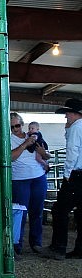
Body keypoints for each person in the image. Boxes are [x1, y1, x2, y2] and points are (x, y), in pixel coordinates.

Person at [41, 98, 82, 260]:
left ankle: (58, 247)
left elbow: (72, 152)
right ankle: (79, 248)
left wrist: (66, 175)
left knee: (60, 210)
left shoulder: (76, 128)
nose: (66, 117)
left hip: (76, 175)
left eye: (67, 114)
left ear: (73, 114)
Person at [9, 112, 49, 255]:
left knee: (37, 212)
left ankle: (36, 243)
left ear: (22, 124)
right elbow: (10, 157)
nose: (15, 129)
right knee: (19, 212)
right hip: (20, 179)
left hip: (38, 177)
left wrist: (43, 153)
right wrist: (26, 144)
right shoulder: (7, 139)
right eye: (12, 126)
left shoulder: (34, 136)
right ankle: (16, 245)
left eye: (17, 125)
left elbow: (45, 154)